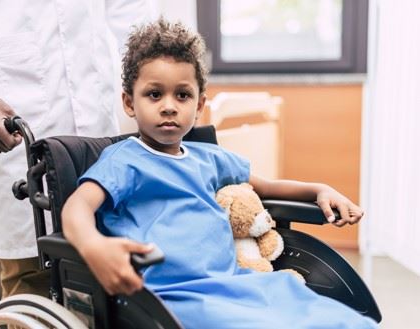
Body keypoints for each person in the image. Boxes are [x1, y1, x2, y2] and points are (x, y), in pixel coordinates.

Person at [61, 18, 376, 328]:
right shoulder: (124, 161)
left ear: (199, 106)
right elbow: (78, 206)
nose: (169, 106)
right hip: (172, 298)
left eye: (182, 95)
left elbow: (266, 187)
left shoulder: (208, 158)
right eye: (154, 94)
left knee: (338, 319)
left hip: (237, 285)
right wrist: (92, 246)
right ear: (130, 103)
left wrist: (319, 189)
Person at [0, 0, 152, 298]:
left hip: (93, 108)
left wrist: (156, 76)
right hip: (14, 112)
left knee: (107, 274)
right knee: (31, 276)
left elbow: (129, 8)